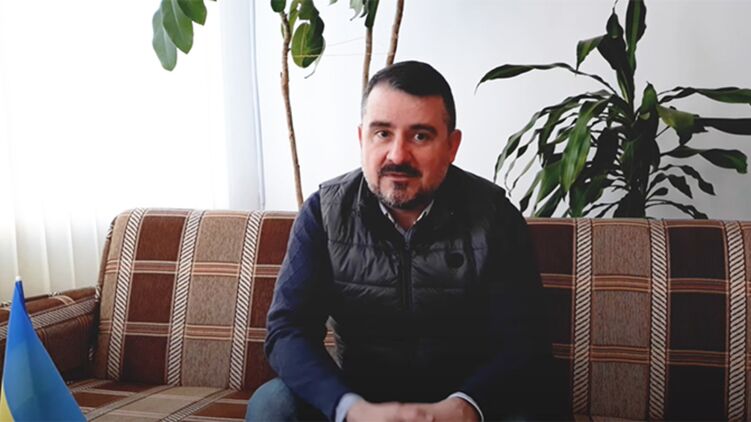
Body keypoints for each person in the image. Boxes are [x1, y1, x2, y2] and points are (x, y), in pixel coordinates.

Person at [246, 61, 553, 422]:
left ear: (451, 146)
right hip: (361, 401)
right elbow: (288, 330)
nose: (397, 155)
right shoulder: (324, 214)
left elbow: (523, 340)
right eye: (382, 133)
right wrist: (348, 407)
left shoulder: (494, 217)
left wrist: (466, 406)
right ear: (362, 138)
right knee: (272, 404)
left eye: (420, 136)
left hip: (465, 402)